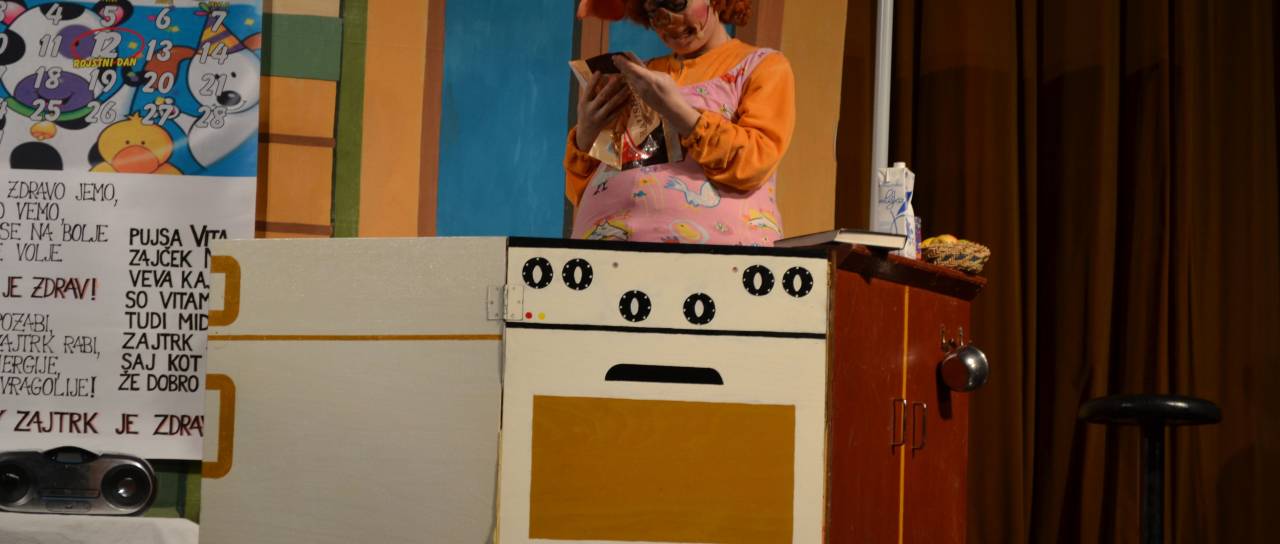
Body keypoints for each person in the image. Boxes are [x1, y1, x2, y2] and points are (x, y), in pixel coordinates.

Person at [567, 0, 795, 245]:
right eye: (653, 11)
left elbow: (756, 160)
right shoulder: (643, 72)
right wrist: (587, 135)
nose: (666, 21)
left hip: (708, 259)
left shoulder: (762, 66)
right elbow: (580, 189)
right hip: (605, 256)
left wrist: (678, 112)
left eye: (676, 3)